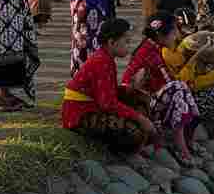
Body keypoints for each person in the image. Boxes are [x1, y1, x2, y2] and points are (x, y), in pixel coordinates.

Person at [62, 18, 154, 154]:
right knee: (134, 132)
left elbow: (108, 92)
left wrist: (131, 87)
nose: (129, 46)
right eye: (126, 41)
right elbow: (107, 103)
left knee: (139, 99)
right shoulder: (102, 62)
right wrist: (140, 118)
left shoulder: (106, 59)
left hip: (92, 106)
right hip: (80, 115)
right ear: (111, 42)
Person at [120, 12, 201, 165]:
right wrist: (194, 61)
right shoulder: (149, 52)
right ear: (161, 35)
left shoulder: (154, 48)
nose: (177, 36)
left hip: (150, 101)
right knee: (178, 87)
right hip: (140, 105)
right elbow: (169, 82)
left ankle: (185, 140)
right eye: (174, 31)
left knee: (181, 88)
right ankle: (180, 145)